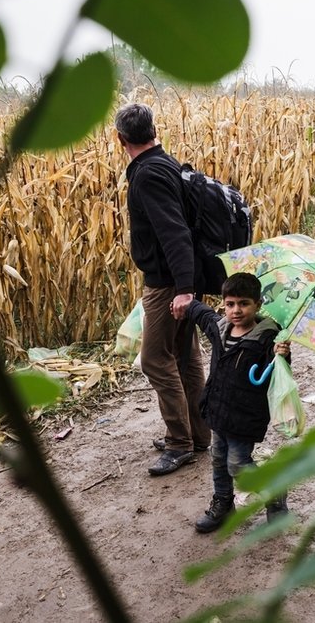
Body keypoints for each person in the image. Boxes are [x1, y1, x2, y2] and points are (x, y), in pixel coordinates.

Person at [115, 103, 212, 476]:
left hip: (169, 284)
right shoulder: (165, 163)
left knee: (156, 359)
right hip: (181, 280)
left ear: (121, 138)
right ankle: (199, 435)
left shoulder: (149, 175)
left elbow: (175, 233)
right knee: (185, 359)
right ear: (153, 130)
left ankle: (179, 443)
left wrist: (184, 290)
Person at [182, 272, 292, 533]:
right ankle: (223, 502)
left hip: (246, 415)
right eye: (230, 304)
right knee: (218, 457)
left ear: (258, 304)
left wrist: (281, 355)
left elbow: (279, 373)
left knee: (237, 463)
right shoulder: (220, 328)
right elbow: (204, 315)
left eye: (244, 303)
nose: (236, 310)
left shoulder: (268, 339)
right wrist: (186, 302)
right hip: (218, 409)